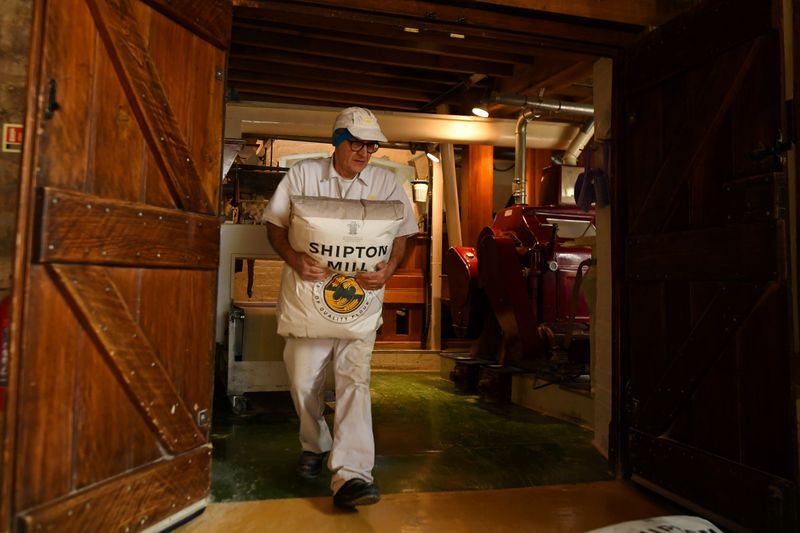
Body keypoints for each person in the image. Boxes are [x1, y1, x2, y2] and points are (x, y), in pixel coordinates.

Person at [262, 107, 418, 508]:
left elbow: (405, 232)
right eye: (357, 143)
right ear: (337, 142)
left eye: (372, 145)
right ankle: (314, 444)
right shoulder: (303, 176)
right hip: (307, 299)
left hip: (361, 303)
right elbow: (275, 225)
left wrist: (390, 268)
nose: (365, 152)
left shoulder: (386, 182)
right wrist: (295, 259)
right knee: (302, 382)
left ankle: (352, 475)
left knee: (354, 382)